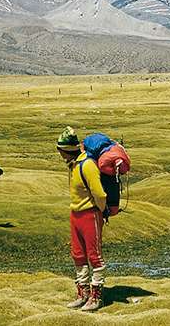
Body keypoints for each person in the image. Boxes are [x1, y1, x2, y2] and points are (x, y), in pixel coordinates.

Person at [57, 126, 107, 312]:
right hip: (76, 214)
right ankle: (83, 293)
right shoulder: (73, 165)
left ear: (67, 150)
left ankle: (96, 297)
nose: (60, 154)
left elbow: (99, 194)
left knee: (95, 256)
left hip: (90, 214)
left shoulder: (87, 165)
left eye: (61, 150)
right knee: (77, 254)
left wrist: (100, 212)